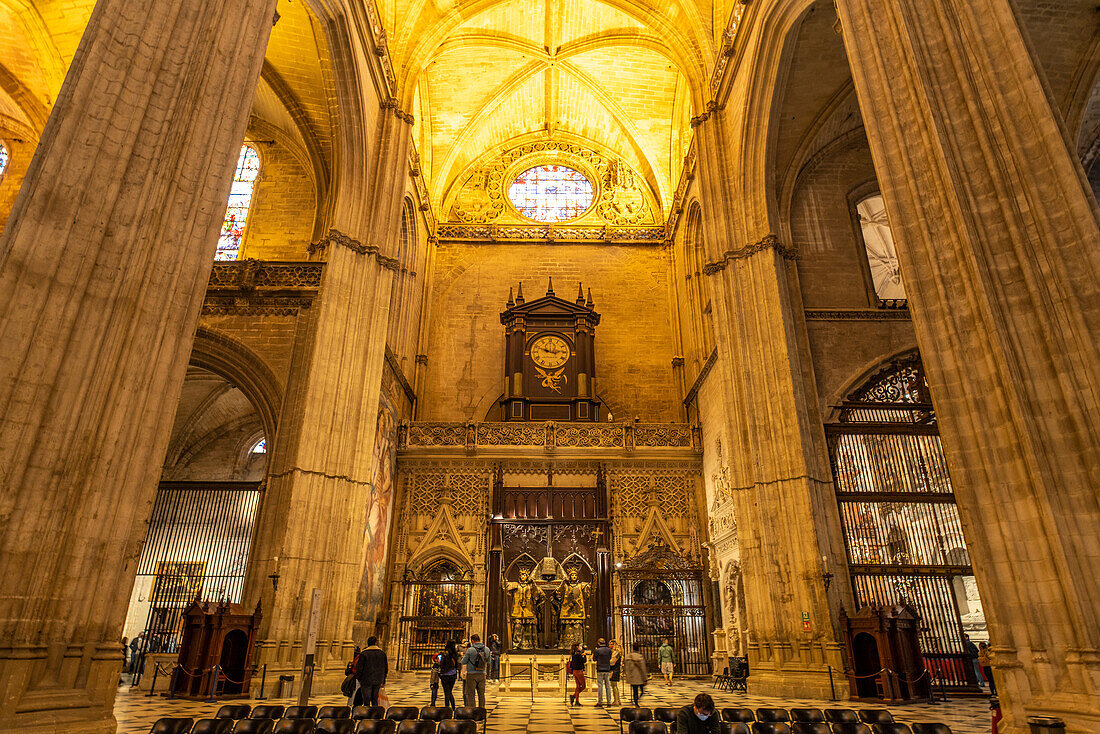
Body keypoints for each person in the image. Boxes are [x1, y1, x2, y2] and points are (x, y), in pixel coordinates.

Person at [355, 636, 388, 707]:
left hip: (366, 679)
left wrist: (359, 678)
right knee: (375, 699)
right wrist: (383, 680)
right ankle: (374, 714)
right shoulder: (382, 653)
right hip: (378, 679)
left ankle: (367, 714)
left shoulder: (364, 654)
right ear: (376, 643)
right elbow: (385, 668)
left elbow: (359, 668)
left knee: (366, 700)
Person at [461, 633, 489, 708]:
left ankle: (472, 711)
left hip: (471, 674)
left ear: (472, 641)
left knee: (471, 694)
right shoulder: (486, 649)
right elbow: (489, 661)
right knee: (481, 694)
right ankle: (481, 711)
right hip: (482, 674)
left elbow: (463, 662)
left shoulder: (470, 650)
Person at [624, 641, 648, 706]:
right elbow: (643, 669)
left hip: (632, 677)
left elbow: (626, 668)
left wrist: (628, 676)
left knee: (635, 691)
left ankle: (636, 701)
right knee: (642, 691)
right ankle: (636, 701)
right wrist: (645, 678)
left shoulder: (628, 657)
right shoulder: (639, 657)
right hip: (639, 677)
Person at [592, 638, 614, 707]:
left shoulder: (597, 650)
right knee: (608, 685)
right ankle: (609, 702)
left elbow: (594, 659)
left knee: (600, 686)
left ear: (599, 643)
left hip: (600, 669)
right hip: (607, 669)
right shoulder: (609, 650)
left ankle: (600, 702)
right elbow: (610, 658)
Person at [439, 641, 460, 709]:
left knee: (447, 692)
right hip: (453, 674)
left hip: (445, 675)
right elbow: (457, 664)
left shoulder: (445, 653)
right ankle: (453, 707)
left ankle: (447, 707)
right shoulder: (455, 654)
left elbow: (442, 664)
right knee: (449, 691)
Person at [568, 642, 587, 706]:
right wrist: (584, 655)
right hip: (579, 671)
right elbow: (583, 661)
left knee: (578, 686)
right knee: (583, 686)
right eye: (579, 646)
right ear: (577, 647)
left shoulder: (573, 653)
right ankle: (573, 696)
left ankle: (577, 701)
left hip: (574, 671)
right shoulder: (578, 654)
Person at [608, 640, 622, 706]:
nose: (609, 645)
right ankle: (617, 700)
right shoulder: (614, 652)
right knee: (614, 685)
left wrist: (605, 662)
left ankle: (616, 700)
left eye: (611, 644)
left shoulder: (616, 653)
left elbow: (612, 662)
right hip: (615, 670)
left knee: (614, 686)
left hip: (614, 670)